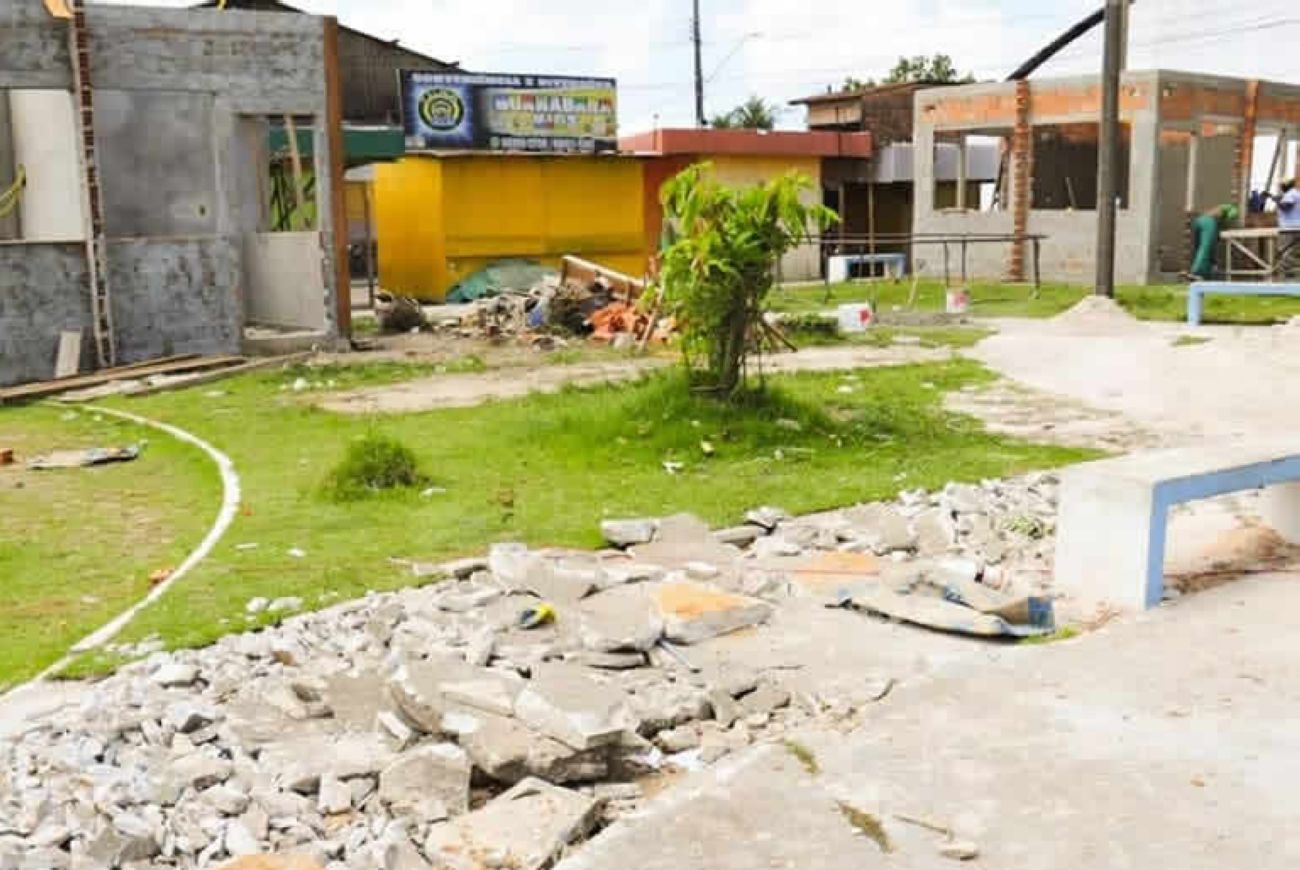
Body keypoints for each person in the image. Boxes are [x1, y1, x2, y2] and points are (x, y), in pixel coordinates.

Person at [1188, 203, 1239, 280]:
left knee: (1199, 248)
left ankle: (1202, 273)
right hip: (1208, 222)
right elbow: (1225, 218)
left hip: (1198, 221)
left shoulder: (1218, 208)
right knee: (1206, 248)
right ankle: (1197, 272)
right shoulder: (1228, 209)